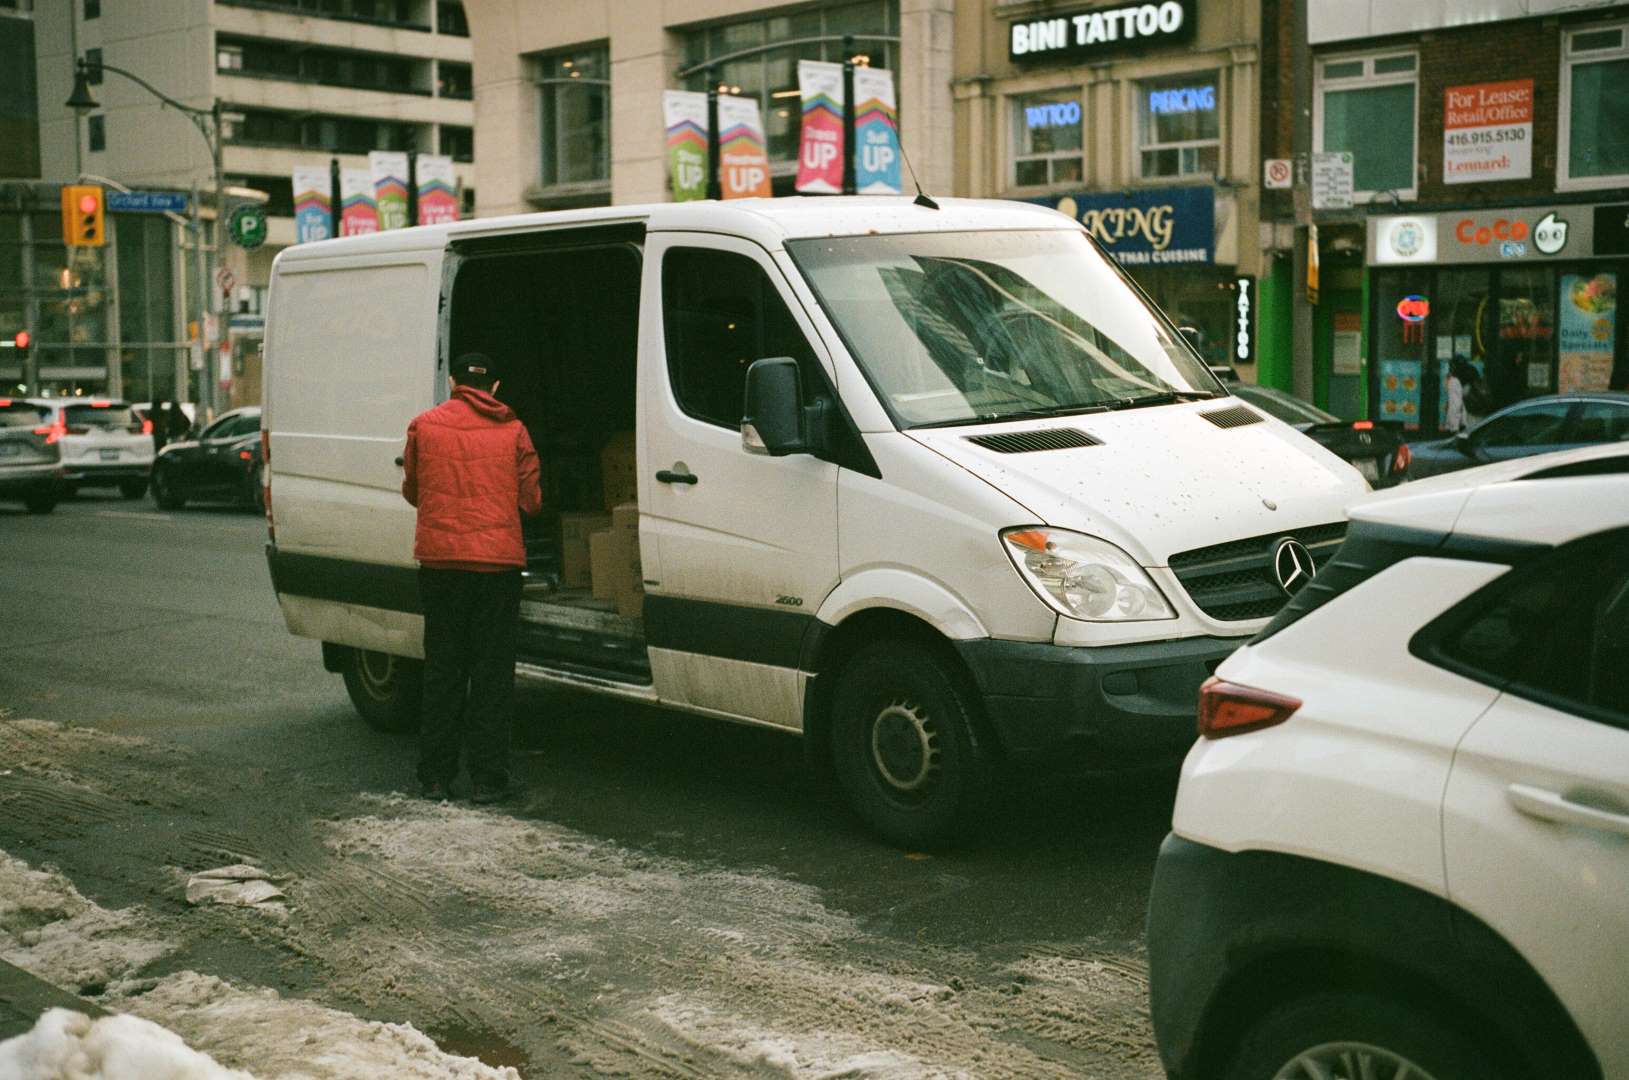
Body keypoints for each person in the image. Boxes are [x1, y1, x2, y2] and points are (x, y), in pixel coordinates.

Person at [400, 354, 542, 803]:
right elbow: (532, 501)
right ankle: (488, 779)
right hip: (497, 571)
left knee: (442, 670)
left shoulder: (423, 426)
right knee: (491, 674)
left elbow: (413, 491)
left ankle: (435, 778)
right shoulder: (515, 431)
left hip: (441, 567)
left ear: (451, 381)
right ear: (494, 387)